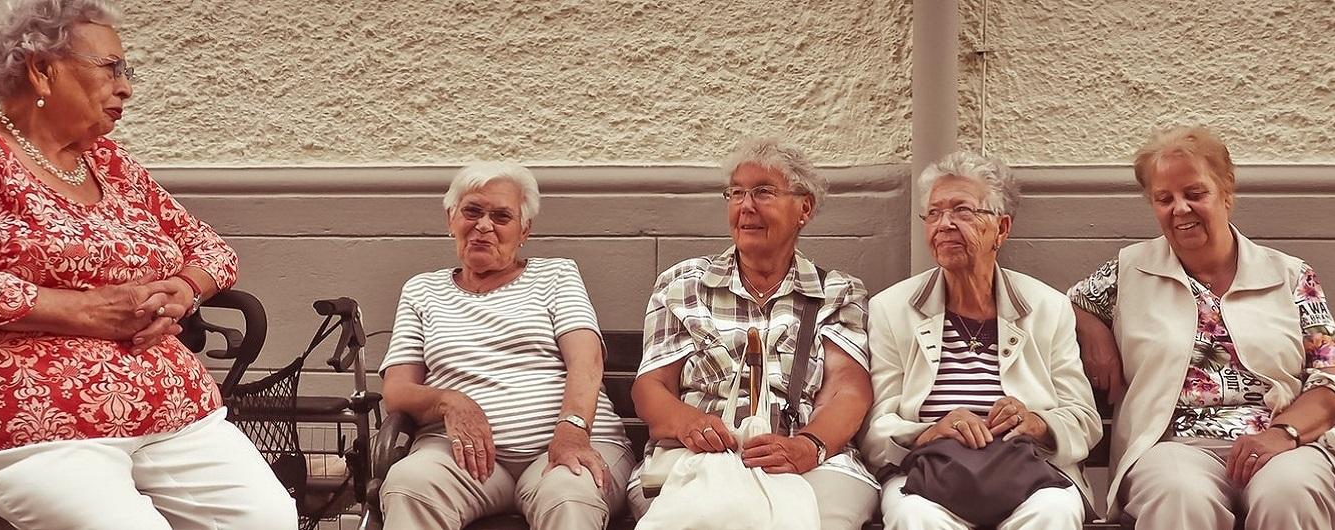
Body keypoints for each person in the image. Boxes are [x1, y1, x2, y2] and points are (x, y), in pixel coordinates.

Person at [0, 1, 292, 527]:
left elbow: (212, 250)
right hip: (25, 421)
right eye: (112, 68)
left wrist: (186, 288)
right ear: (42, 69)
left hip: (173, 412)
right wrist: (77, 311)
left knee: (268, 519)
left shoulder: (112, 165)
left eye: (127, 72)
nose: (126, 88)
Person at [1070, 126, 1335, 529]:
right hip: (1172, 446)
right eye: (1164, 199)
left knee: (1292, 493)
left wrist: (1283, 434)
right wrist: (1095, 331)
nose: (1180, 209)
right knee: (1180, 496)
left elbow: (1331, 382)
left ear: (1226, 191)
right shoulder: (1129, 271)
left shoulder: (1290, 276)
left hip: (1279, 443)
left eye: (1194, 193)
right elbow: (1066, 304)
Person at [628, 138, 878, 529]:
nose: (746, 206)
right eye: (737, 193)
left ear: (804, 208)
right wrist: (688, 423)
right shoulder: (682, 284)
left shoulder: (839, 293)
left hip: (810, 460)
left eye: (763, 192)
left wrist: (808, 446)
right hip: (699, 459)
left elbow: (848, 389)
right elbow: (652, 386)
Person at [376, 162, 633, 530]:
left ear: (523, 230)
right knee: (409, 486)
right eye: (472, 211)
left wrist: (573, 430)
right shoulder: (422, 291)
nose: (484, 226)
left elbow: (586, 361)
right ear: (451, 218)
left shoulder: (556, 276)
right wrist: (449, 401)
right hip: (461, 458)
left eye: (501, 216)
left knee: (569, 495)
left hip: (563, 448)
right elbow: (398, 391)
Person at [863, 151, 1100, 530]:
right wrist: (932, 430)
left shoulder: (1047, 307)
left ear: (1001, 229)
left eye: (963, 211)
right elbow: (876, 430)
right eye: (935, 213)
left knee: (1053, 511)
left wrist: (1036, 421)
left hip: (1031, 475)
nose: (945, 224)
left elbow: (1084, 421)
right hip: (929, 476)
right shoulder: (891, 310)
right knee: (914, 516)